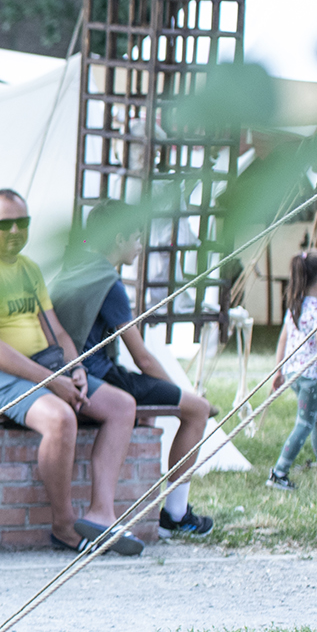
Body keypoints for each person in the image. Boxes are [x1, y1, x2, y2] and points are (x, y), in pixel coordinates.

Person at [0, 188, 141, 554]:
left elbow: (59, 332)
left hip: (39, 367)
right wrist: (54, 383)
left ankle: (101, 514)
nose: (15, 231)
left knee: (122, 406)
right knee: (61, 418)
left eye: (22, 223)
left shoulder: (29, 269)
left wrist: (75, 368)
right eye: (5, 225)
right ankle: (64, 527)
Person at [49, 200, 215, 537]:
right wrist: (183, 395)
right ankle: (176, 515)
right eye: (137, 238)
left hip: (70, 370)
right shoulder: (110, 283)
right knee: (196, 410)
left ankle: (150, 506)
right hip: (98, 374)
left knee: (150, 411)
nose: (139, 246)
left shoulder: (75, 266)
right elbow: (143, 359)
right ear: (120, 238)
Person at [267, 251, 317, 491]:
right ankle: (279, 472)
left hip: (295, 373)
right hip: (311, 377)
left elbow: (283, 340)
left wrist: (279, 370)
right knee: (306, 423)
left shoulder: (296, 305)